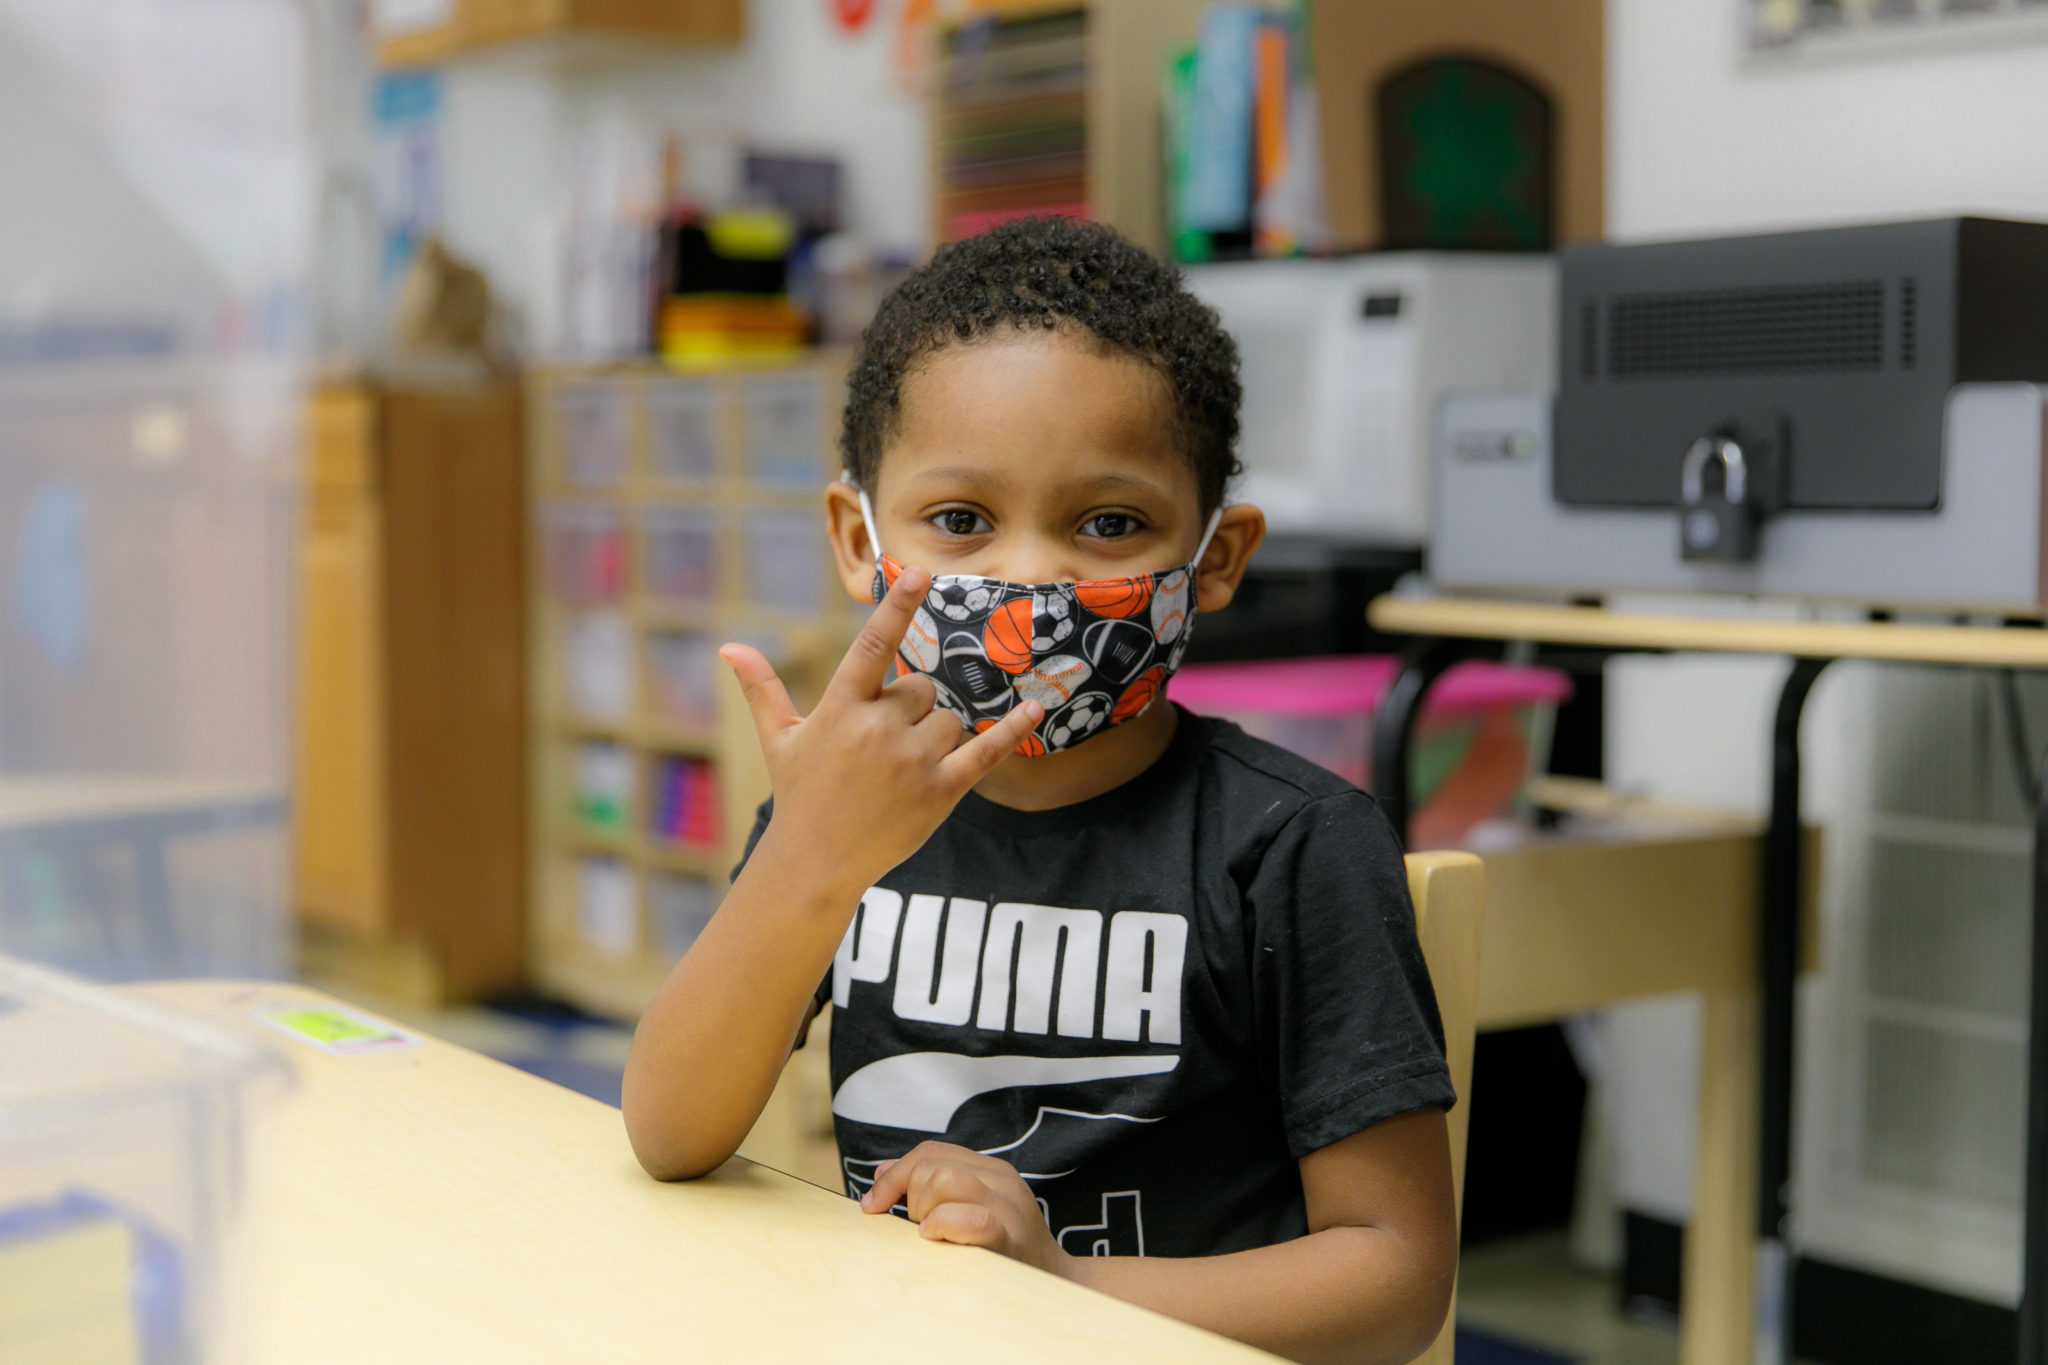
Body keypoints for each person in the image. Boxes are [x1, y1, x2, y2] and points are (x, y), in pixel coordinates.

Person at [622, 216, 1457, 1364]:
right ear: (857, 540)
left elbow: (1395, 1277)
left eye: (1106, 524)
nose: (1027, 577)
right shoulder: (844, 819)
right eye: (960, 522)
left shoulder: (1292, 847)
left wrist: (1059, 1287)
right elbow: (670, 1132)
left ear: (1215, 556)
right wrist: (807, 858)